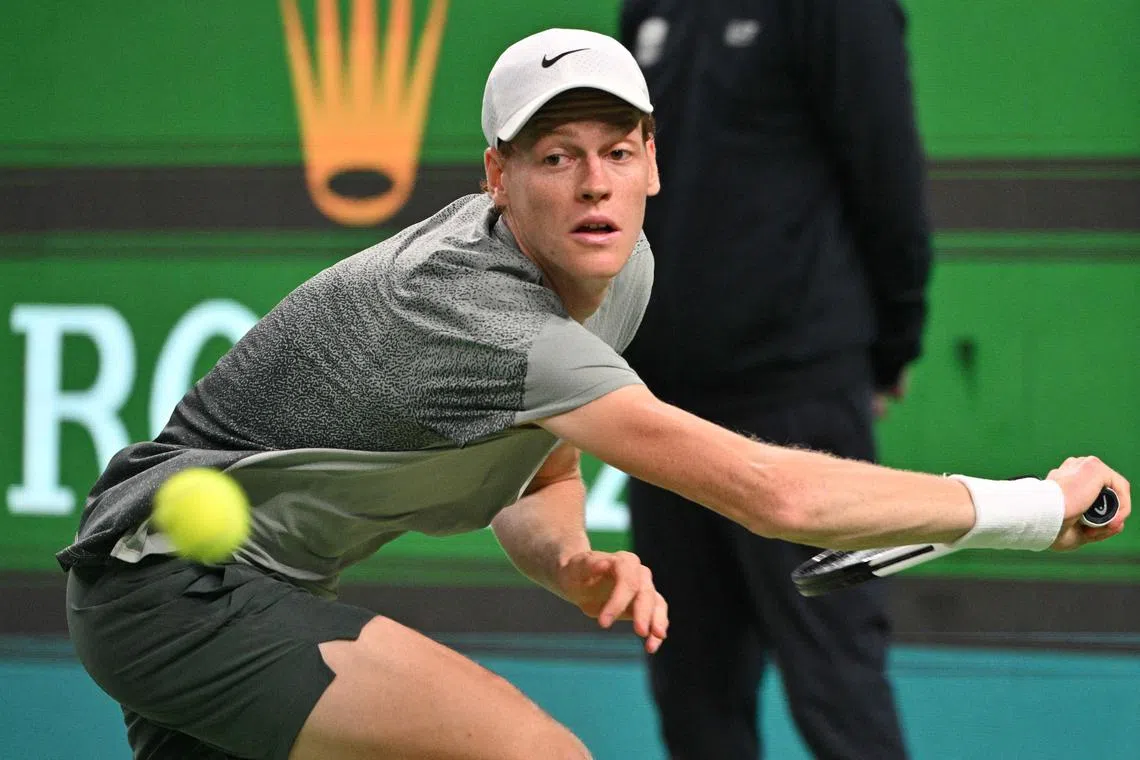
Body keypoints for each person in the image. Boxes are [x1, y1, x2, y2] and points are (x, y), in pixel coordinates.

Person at [59, 27, 1128, 760]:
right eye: (556, 155)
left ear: (654, 161)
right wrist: (1034, 509)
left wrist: (570, 560)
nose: (594, 182)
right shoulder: (476, 305)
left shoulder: (617, 268)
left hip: (223, 591)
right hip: (173, 585)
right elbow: (774, 496)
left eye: (618, 151)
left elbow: (541, 461)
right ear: (497, 175)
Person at [615, 1, 932, 756]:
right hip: (665, 410)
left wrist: (891, 344)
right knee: (692, 689)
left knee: (837, 680)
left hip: (797, 393)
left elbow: (887, 172)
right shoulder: (650, 8)